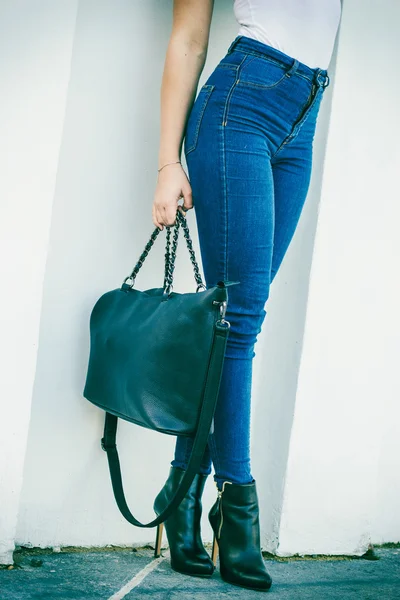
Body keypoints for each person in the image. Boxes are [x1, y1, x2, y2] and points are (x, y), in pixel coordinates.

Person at [151, 0, 342, 592]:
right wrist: (166, 163)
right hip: (242, 104)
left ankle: (182, 488)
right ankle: (237, 514)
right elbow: (188, 36)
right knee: (238, 321)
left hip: (304, 113)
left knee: (234, 323)